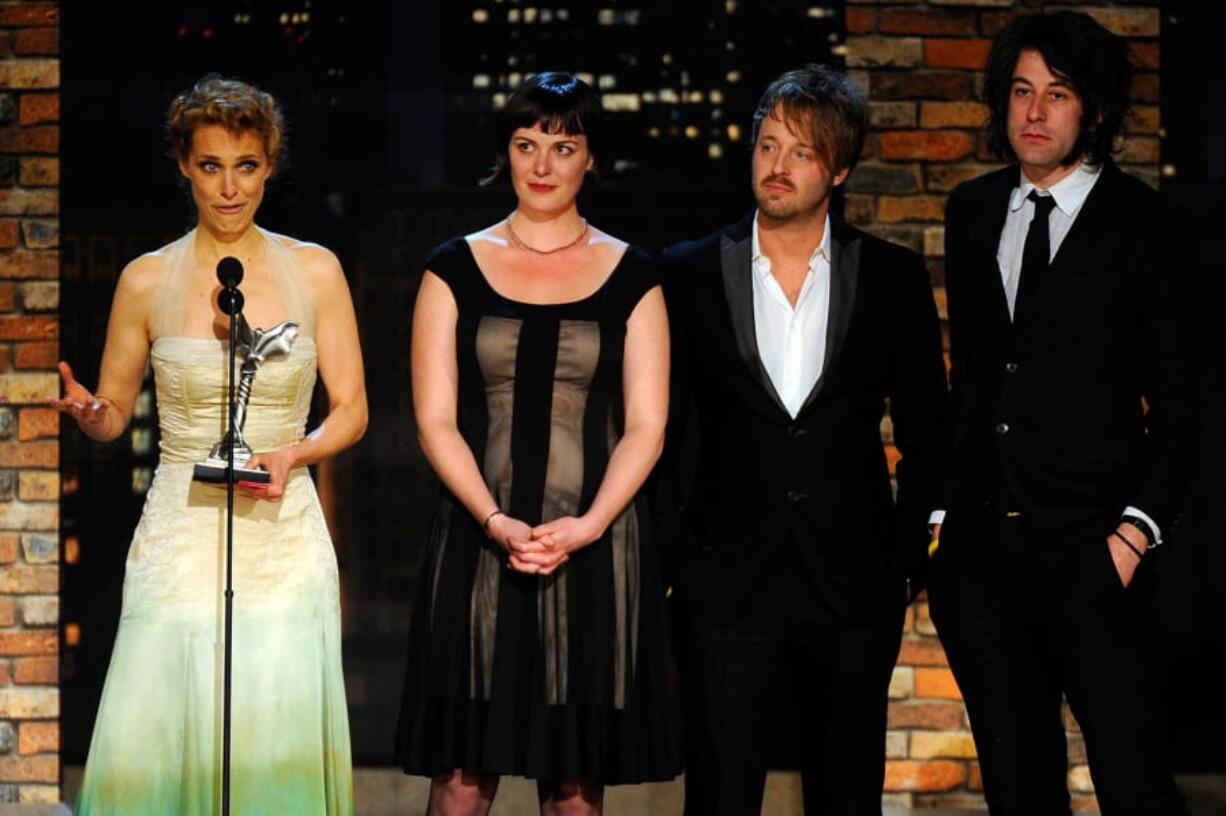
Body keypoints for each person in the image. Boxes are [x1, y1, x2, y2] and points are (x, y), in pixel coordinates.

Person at [57, 76, 367, 815]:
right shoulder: (145, 280)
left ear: (270, 165)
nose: (229, 187)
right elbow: (113, 416)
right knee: (161, 725)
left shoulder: (316, 270)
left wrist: (296, 454)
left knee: (271, 730)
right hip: (180, 538)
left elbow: (352, 411)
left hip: (282, 537)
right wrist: (89, 413)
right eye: (210, 166)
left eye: (247, 165)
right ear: (183, 167)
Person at [655, 65, 948, 815]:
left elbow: (928, 432)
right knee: (719, 796)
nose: (777, 166)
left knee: (847, 795)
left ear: (840, 169)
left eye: (802, 152)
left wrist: (903, 563)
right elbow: (657, 426)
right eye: (767, 144)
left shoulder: (890, 277)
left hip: (853, 586)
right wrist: (677, 558)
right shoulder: (687, 273)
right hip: (724, 584)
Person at [928, 11, 1199, 815]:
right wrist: (946, 524)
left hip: (1095, 553)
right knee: (1018, 790)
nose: (1034, 113)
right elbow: (974, 382)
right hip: (983, 558)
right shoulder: (972, 211)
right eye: (1020, 91)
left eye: (1057, 94)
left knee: (1134, 784)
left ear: (1097, 110)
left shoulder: (1148, 225)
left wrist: (1133, 535)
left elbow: (1184, 402)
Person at [395, 72, 678, 815]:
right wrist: (494, 518)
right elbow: (434, 419)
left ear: (591, 159)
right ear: (506, 154)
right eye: (526, 145)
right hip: (477, 540)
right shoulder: (451, 267)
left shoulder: (634, 274)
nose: (543, 164)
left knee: (574, 784)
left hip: (595, 546)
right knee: (460, 778)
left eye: (563, 146)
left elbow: (647, 424)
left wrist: (586, 526)